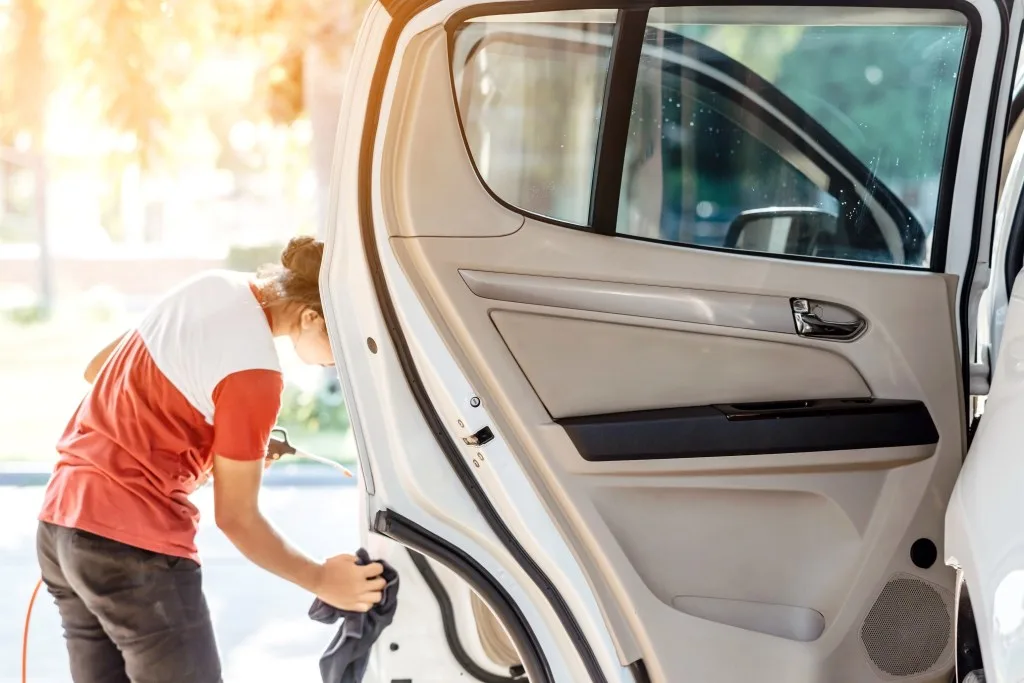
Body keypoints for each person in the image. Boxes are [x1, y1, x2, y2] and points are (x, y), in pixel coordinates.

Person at [35, 236, 384, 683]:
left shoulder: (210, 286)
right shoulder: (256, 375)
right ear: (312, 316)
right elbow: (238, 519)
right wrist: (320, 579)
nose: (340, 364)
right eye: (344, 348)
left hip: (62, 530)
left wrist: (191, 451)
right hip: (132, 548)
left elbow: (100, 368)